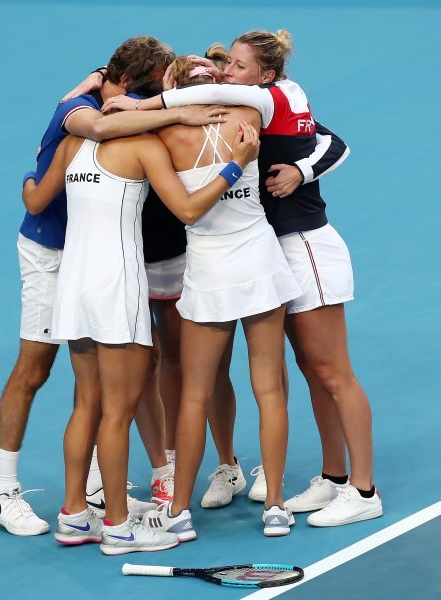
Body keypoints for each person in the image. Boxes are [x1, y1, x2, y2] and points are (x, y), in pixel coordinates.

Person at [0, 35, 228, 537]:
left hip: (77, 268)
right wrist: (195, 128)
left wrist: (31, 180)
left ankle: (82, 506)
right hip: (68, 262)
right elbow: (179, 203)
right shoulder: (83, 116)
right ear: (127, 88)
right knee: (58, 378)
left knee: (89, 397)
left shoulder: (91, 127)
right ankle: (20, 496)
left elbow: (34, 194)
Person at [141, 29, 383, 526]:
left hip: (303, 245)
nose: (229, 72)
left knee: (332, 371)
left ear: (265, 78)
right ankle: (334, 477)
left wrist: (301, 170)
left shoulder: (272, 101)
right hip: (270, 252)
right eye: (225, 64)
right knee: (310, 373)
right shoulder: (256, 108)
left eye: (238, 66)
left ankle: (363, 490)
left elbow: (335, 143)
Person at [22, 113, 260, 552]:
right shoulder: (145, 148)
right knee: (118, 412)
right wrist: (236, 164)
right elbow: (188, 209)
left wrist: (31, 168)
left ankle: (74, 516)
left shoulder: (74, 143)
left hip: (73, 286)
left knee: (85, 404)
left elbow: (34, 199)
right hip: (117, 289)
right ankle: (117, 527)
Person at [136, 56, 302, 540]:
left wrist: (166, 98)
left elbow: (118, 123)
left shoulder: (162, 134)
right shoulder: (250, 117)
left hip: (209, 271)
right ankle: (274, 507)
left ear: (174, 86)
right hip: (260, 263)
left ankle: (179, 512)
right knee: (269, 388)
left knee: (193, 394)